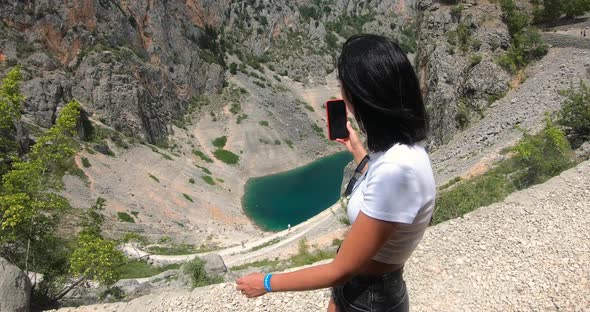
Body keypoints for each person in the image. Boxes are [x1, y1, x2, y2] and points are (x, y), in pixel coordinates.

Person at [236, 34, 435, 312]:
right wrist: (355, 148)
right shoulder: (404, 154)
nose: (342, 93)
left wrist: (266, 282)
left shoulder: (398, 171)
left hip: (369, 297)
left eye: (344, 86)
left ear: (361, 95)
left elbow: (340, 270)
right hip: (364, 289)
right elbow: (378, 181)